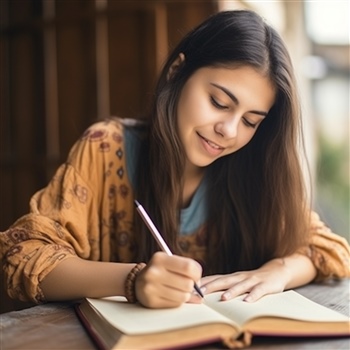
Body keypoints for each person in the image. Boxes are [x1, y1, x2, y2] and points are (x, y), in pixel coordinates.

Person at [1, 10, 349, 310]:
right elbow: (24, 254)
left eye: (250, 121)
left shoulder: (253, 167)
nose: (229, 130)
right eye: (219, 102)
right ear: (177, 72)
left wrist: (278, 271)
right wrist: (133, 280)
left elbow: (327, 249)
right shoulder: (106, 148)